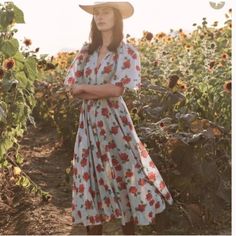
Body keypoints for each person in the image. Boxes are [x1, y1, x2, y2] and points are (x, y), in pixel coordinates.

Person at [63, 1, 174, 235]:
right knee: (89, 177)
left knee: (125, 177)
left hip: (115, 122)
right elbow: (72, 88)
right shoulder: (85, 52)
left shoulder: (127, 52)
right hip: (89, 124)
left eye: (105, 12)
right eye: (97, 13)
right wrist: (93, 88)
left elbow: (117, 91)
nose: (100, 17)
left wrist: (86, 88)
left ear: (116, 17)